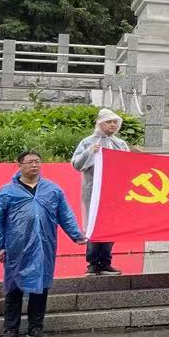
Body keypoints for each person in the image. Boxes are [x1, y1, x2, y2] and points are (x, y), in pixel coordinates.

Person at [0, 150, 86, 337]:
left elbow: (65, 215)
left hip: (43, 245)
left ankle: (35, 327)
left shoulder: (52, 190)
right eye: (30, 162)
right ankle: (10, 329)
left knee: (40, 286)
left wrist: (76, 235)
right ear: (19, 165)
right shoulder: (7, 191)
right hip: (16, 247)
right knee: (14, 288)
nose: (34, 165)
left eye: (37, 162)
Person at [69, 108, 130, 276]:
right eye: (108, 122)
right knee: (93, 225)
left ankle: (105, 262)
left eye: (115, 122)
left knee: (110, 226)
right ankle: (93, 263)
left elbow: (128, 166)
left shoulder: (120, 144)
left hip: (113, 192)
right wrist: (90, 152)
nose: (112, 125)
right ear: (100, 123)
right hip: (93, 191)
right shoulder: (88, 142)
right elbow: (76, 164)